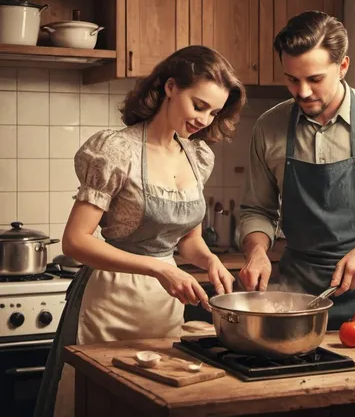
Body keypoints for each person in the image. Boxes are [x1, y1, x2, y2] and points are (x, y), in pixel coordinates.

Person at [35, 45, 246, 417]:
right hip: (110, 304)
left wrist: (210, 260)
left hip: (163, 307)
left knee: (153, 400)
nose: (205, 120)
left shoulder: (198, 157)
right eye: (199, 105)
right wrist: (158, 268)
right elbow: (76, 241)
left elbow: (188, 241)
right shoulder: (117, 150)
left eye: (214, 112)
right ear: (170, 87)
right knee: (97, 403)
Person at [238, 11, 355, 329]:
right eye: (291, 79)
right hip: (294, 300)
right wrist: (257, 251)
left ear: (342, 66)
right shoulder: (268, 127)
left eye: (314, 79)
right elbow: (256, 209)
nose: (301, 92)